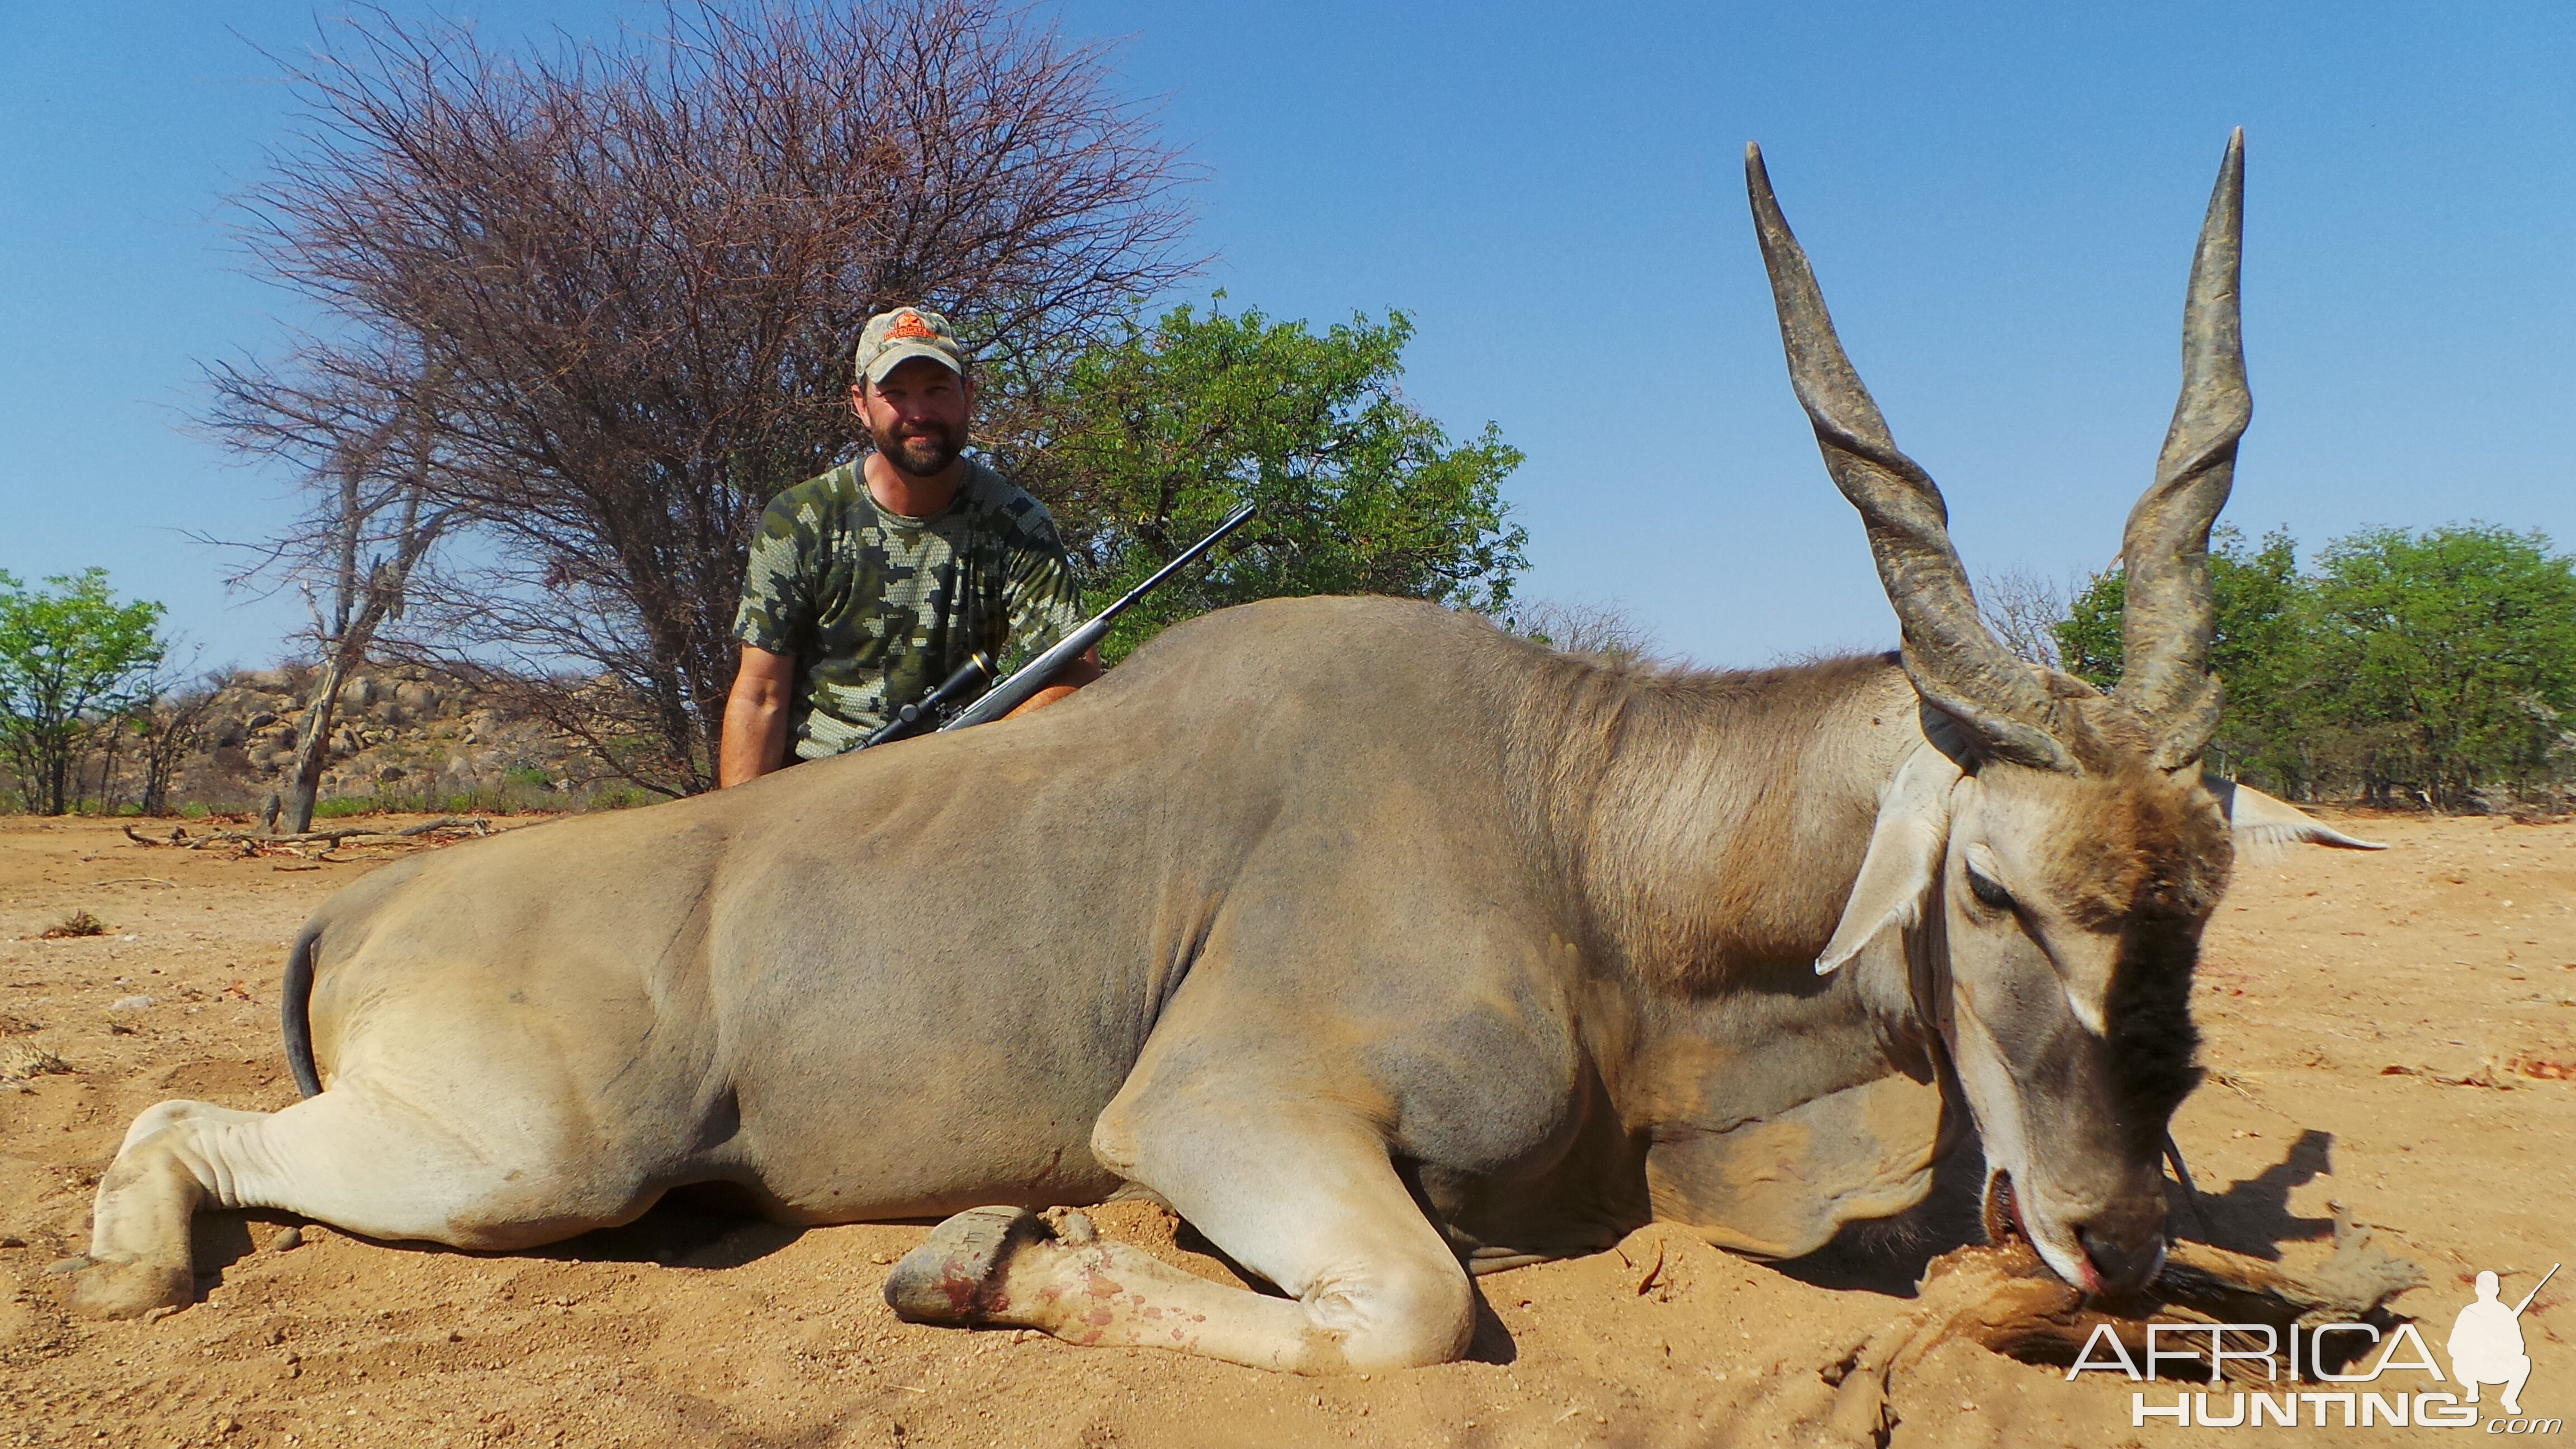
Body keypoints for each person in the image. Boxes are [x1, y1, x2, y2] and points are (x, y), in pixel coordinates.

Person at [717, 306, 1100, 787]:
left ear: (968, 395)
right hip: (815, 793)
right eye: (894, 394)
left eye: (937, 390)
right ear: (860, 404)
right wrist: (739, 828)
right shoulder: (798, 519)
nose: (919, 413)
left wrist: (974, 751)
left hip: (960, 785)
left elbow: (1075, 671)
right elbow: (761, 693)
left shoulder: (1018, 521)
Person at [2449, 1270, 2534, 1416]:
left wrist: (2497, 1344)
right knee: (2524, 1361)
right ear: (2497, 1290)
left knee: (2523, 1361)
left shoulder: (2499, 1314)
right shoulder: (2476, 1312)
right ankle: (2478, 1390)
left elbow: (2453, 1346)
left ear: (2477, 1290)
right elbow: (2519, 1348)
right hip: (2481, 1369)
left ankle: (2499, 1396)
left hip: (2485, 1369)